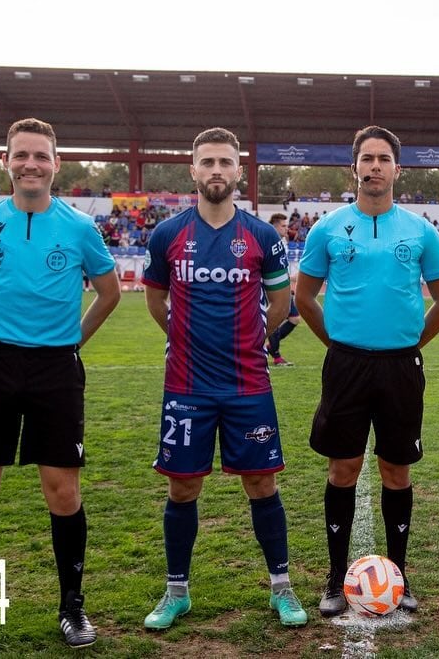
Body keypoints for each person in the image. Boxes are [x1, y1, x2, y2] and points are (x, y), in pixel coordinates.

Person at [0, 118, 121, 651]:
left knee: (63, 492)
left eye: (41, 156)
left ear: (57, 165)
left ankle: (72, 608)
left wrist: (72, 342)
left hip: (57, 370)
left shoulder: (80, 227)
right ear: (6, 162)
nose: (30, 163)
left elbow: (109, 293)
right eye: (21, 155)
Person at [141, 128, 308, 629]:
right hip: (186, 384)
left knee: (261, 483)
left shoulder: (261, 236)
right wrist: (179, 333)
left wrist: (259, 335)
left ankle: (281, 586)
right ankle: (176, 593)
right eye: (207, 162)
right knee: (183, 488)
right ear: (193, 171)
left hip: (248, 384)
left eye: (225, 163)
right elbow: (155, 298)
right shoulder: (168, 235)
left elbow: (281, 302)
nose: (216, 170)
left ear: (239, 172)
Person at [294, 125, 439, 616]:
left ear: (397, 169)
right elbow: (303, 297)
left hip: (400, 368)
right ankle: (333, 578)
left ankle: (399, 578)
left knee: (396, 470)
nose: (376, 166)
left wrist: (408, 345)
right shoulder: (326, 228)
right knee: (343, 468)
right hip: (346, 366)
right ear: (355, 167)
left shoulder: (421, 231)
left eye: (384, 159)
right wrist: (338, 346)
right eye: (368, 158)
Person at [266, 212, 302, 366]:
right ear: (274, 226)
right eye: (283, 226)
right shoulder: (267, 241)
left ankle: (269, 347)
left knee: (294, 319)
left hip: (283, 286)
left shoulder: (283, 243)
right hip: (269, 288)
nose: (287, 229)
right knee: (275, 315)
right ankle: (277, 357)